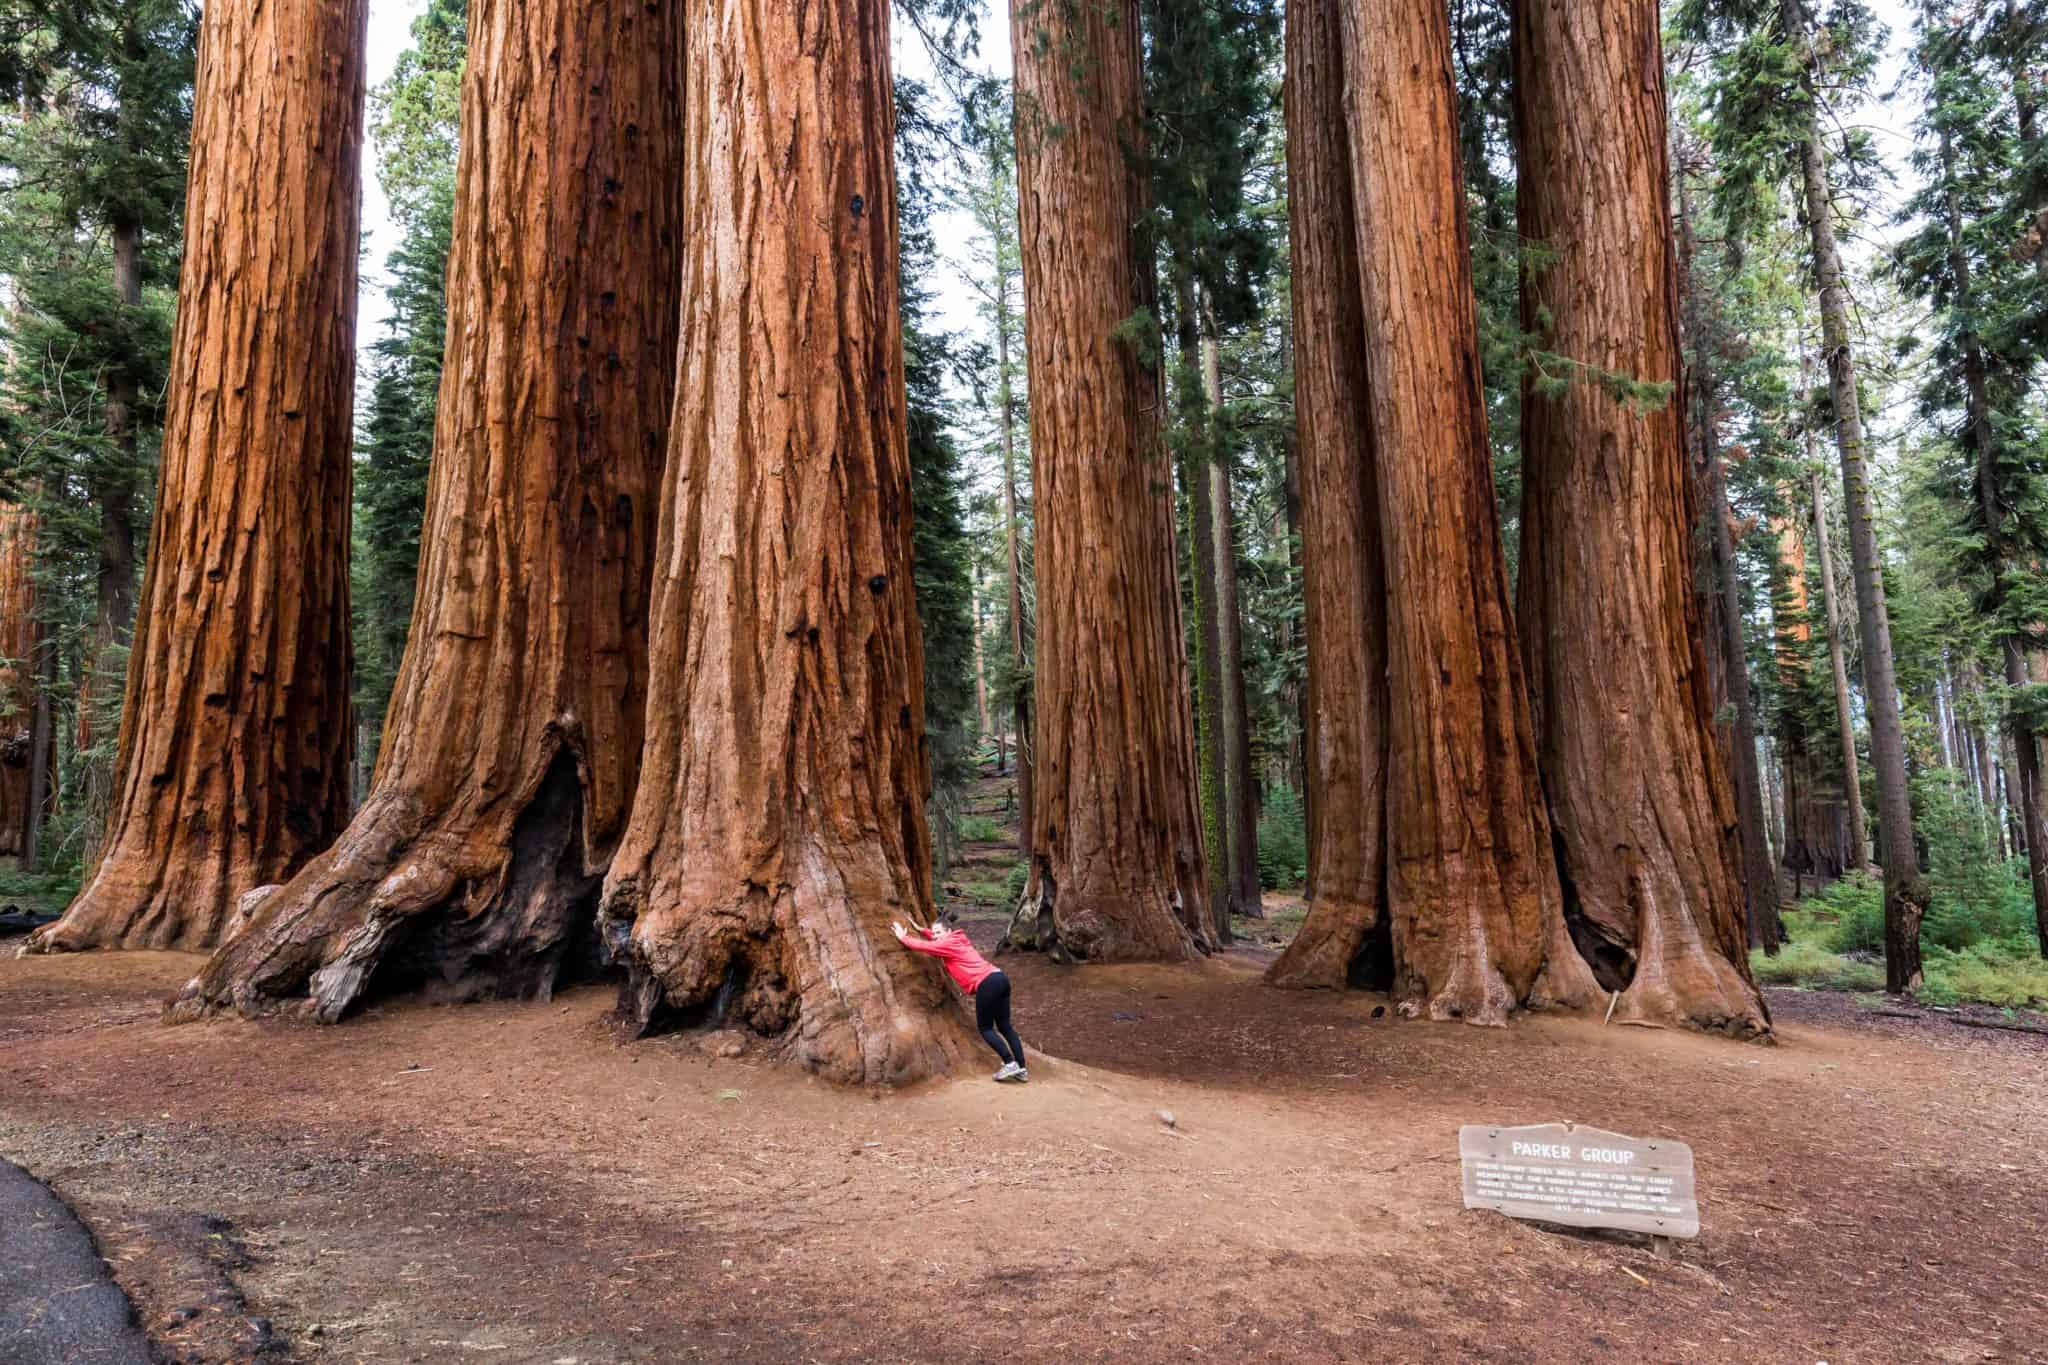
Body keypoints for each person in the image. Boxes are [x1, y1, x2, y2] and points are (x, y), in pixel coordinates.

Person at [891, 916, 1028, 1083]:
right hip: (1000, 978)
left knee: (985, 1028)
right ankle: (1022, 1068)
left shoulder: (947, 944)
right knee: (1005, 1026)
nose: (935, 935)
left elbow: (927, 946)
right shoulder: (958, 939)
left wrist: (903, 937)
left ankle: (1009, 1063)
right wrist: (923, 931)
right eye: (934, 933)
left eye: (939, 932)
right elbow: (935, 941)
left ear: (948, 931)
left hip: (986, 983)